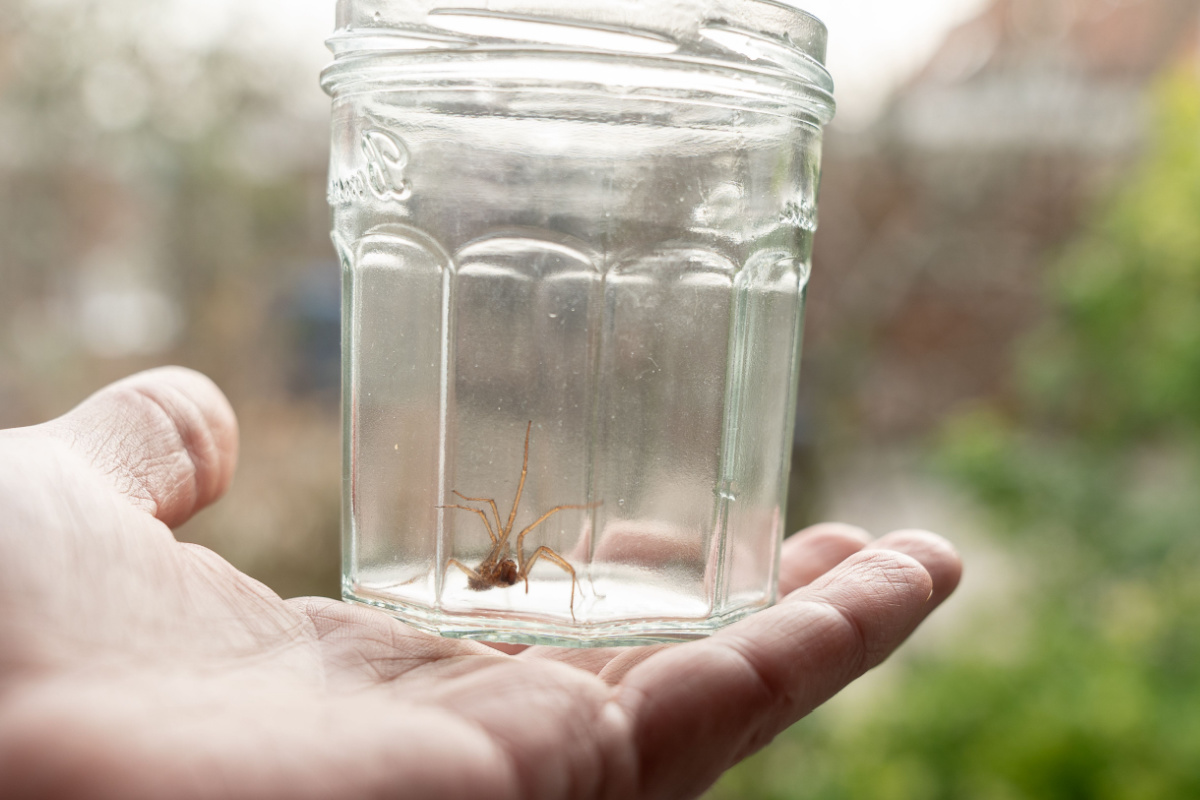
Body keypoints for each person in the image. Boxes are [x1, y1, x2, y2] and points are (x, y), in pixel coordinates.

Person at [0, 367, 961, 799]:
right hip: (474, 587)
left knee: (528, 525)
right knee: (499, 527)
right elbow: (483, 541)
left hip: (506, 588)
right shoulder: (481, 555)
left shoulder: (522, 548)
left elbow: (528, 537)